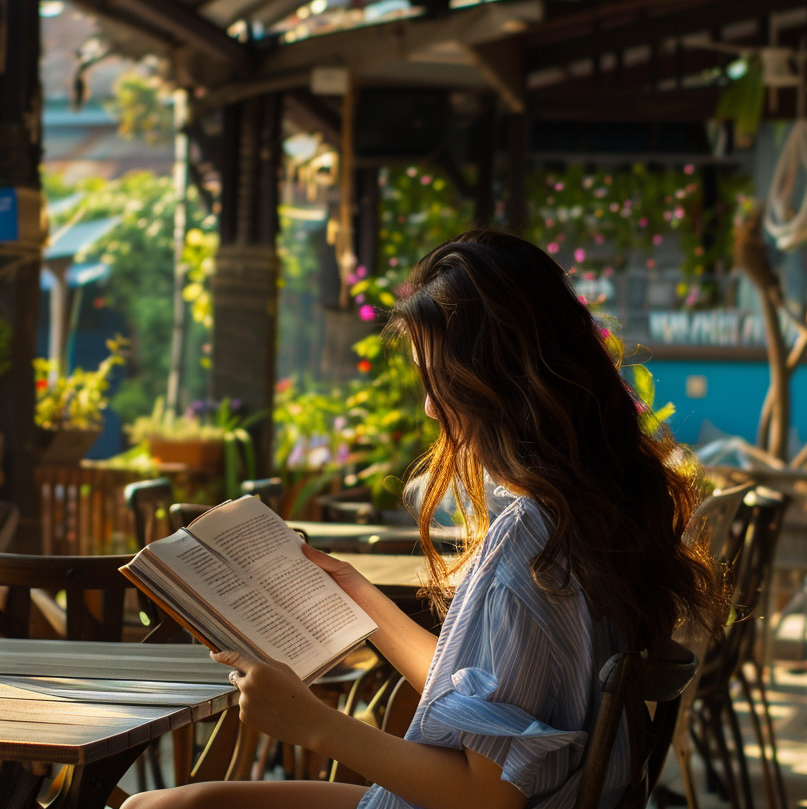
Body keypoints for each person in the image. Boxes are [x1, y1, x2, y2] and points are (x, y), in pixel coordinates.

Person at [124, 229, 725, 809]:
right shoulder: (584, 518)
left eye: (438, 381)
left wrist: (313, 725)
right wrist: (354, 592)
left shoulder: (530, 542)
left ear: (495, 382)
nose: (432, 408)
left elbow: (485, 798)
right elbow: (488, 713)